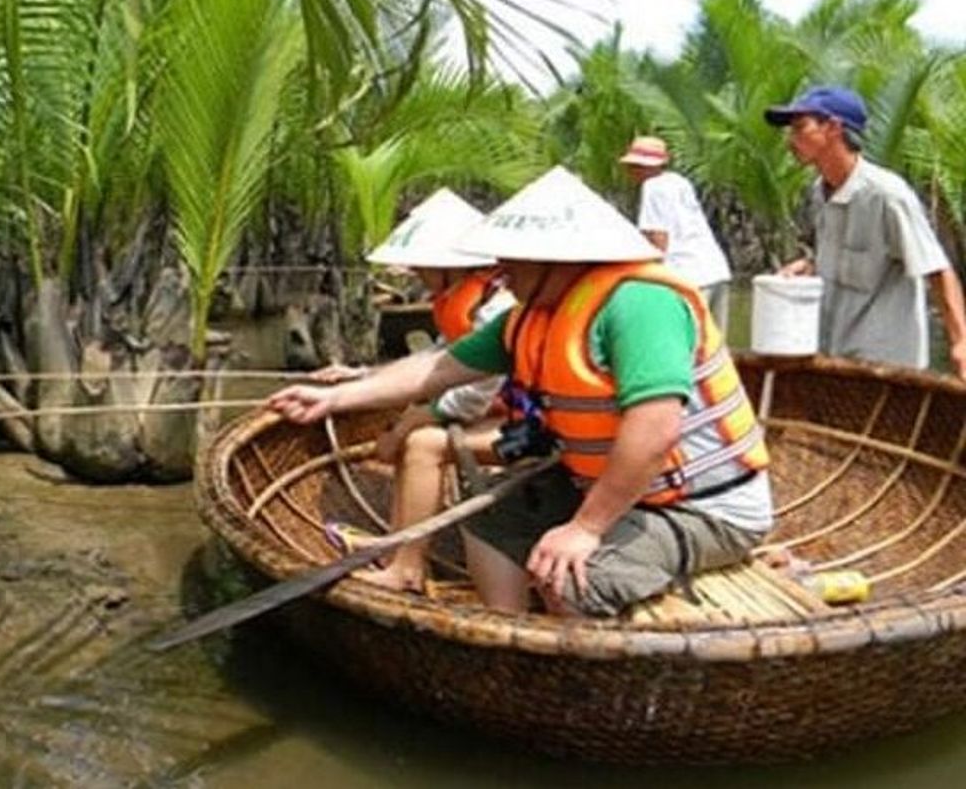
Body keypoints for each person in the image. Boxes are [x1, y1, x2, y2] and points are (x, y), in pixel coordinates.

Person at [269, 167, 773, 616]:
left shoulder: (640, 305)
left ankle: (579, 657)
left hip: (703, 506)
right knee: (490, 519)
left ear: (561, 258)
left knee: (575, 578)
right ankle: (512, 634)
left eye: (513, 257)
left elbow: (655, 430)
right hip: (613, 488)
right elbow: (439, 368)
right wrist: (336, 398)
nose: (499, 268)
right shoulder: (529, 316)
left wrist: (585, 529)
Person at [320, 188, 515, 592]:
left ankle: (407, 568)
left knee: (422, 443)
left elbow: (476, 392)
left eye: (422, 265)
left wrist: (413, 420)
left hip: (528, 420)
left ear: (449, 266)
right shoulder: (471, 299)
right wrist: (364, 376)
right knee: (412, 429)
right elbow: (440, 358)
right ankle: (396, 545)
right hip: (505, 411)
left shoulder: (499, 305)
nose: (416, 273)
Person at [764, 85, 966, 376]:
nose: (790, 140)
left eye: (800, 128)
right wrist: (810, 266)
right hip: (834, 356)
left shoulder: (887, 196)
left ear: (833, 128)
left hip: (885, 366)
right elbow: (840, 256)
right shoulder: (819, 194)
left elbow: (937, 270)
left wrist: (960, 343)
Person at [620, 136, 733, 331]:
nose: (630, 172)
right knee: (715, 341)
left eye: (633, 167)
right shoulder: (678, 182)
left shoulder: (652, 187)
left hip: (688, 274)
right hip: (715, 269)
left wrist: (647, 277)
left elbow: (658, 237)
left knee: (687, 339)